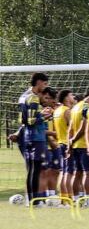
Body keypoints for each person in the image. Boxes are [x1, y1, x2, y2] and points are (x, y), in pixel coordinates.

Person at [18, 72, 53, 204]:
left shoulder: (23, 96)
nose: (45, 87)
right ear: (38, 82)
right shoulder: (33, 98)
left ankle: (30, 200)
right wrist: (44, 115)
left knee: (31, 169)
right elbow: (32, 120)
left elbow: (22, 119)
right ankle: (35, 201)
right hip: (36, 137)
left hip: (26, 137)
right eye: (45, 84)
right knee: (36, 170)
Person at [68, 90, 89, 203]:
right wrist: (74, 139)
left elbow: (70, 128)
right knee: (87, 173)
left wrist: (70, 143)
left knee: (77, 173)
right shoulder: (86, 107)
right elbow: (84, 127)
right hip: (84, 144)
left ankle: (75, 198)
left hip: (75, 146)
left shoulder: (74, 108)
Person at [52, 89, 75, 200]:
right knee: (69, 172)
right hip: (67, 144)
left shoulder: (57, 111)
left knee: (64, 171)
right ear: (66, 97)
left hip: (60, 142)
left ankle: (63, 197)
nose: (73, 97)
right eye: (71, 95)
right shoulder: (67, 111)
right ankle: (70, 198)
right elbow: (72, 129)